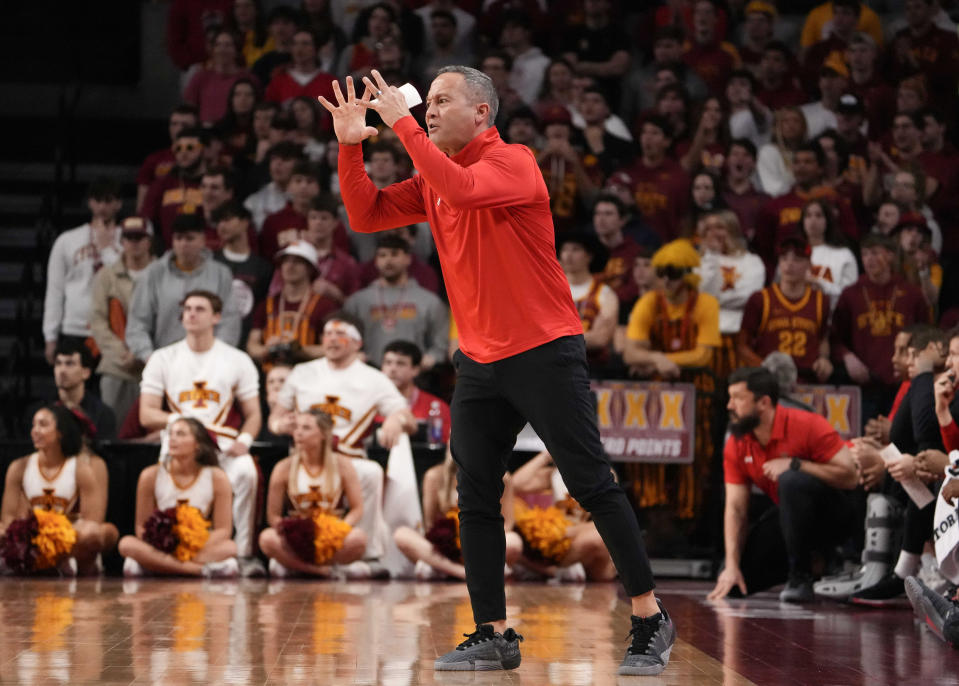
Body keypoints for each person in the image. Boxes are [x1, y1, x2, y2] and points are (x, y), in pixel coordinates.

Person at [319, 67, 673, 675]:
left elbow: (459, 189)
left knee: (591, 483)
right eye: (424, 102)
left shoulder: (515, 162)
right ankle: (494, 632)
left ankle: (649, 617)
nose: (427, 110)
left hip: (544, 348)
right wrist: (352, 144)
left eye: (441, 101)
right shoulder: (434, 173)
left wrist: (399, 122)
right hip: (479, 359)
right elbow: (366, 214)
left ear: (482, 113)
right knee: (476, 495)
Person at [268, 313, 418, 577]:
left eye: (340, 335)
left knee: (371, 472)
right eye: (327, 334)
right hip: (305, 458)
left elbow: (408, 417)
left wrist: (395, 421)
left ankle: (368, 554)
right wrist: (280, 426)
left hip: (348, 458)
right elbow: (275, 418)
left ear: (357, 343)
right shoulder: (303, 372)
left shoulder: (373, 378)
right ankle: (297, 549)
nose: (332, 340)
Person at [138, 290, 262, 577]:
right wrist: (189, 423)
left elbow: (254, 414)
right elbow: (147, 415)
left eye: (200, 309)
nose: (191, 314)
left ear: (216, 317)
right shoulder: (162, 358)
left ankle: (243, 554)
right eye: (188, 309)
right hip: (179, 442)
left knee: (246, 471)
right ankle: (170, 548)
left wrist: (244, 440)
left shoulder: (237, 359)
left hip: (223, 446)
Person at [708, 367, 859, 603]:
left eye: (737, 398)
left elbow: (851, 477)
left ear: (763, 403)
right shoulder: (737, 442)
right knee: (736, 584)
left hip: (837, 515)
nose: (729, 405)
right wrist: (731, 565)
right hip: (793, 520)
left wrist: (796, 464)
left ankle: (802, 576)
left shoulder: (808, 423)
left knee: (791, 480)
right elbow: (736, 509)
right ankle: (814, 563)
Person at [0, 405, 119, 576]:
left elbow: (93, 521)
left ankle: (53, 562)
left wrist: (57, 534)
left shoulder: (80, 468)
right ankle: (52, 563)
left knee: (100, 532)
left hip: (68, 540)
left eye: (43, 425)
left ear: (60, 432)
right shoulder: (19, 467)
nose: (35, 431)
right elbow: (8, 518)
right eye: (34, 425)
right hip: (32, 539)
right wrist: (29, 533)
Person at [118, 416, 239, 578]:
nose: (173, 439)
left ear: (198, 444)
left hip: (198, 546)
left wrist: (190, 544)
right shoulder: (150, 475)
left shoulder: (217, 477)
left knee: (230, 547)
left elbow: (224, 530)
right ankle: (196, 570)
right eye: (171, 434)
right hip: (162, 547)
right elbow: (141, 527)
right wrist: (164, 542)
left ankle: (162, 565)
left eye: (181, 434)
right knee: (126, 544)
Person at [831, 234, 931, 424]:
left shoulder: (911, 293)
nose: (869, 259)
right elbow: (835, 338)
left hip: (902, 385)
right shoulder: (850, 294)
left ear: (891, 256)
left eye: (876, 253)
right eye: (865, 254)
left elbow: (925, 335)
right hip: (864, 385)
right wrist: (847, 357)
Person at [259, 410, 368, 577]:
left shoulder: (343, 465)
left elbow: (357, 508)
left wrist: (340, 530)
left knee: (358, 539)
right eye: (296, 428)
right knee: (267, 538)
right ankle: (321, 571)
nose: (299, 433)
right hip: (296, 537)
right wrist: (291, 532)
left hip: (330, 538)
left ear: (323, 434)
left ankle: (296, 567)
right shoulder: (283, 468)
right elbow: (272, 516)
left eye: (306, 428)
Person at [125, 212, 240, 361]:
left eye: (190, 238)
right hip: (164, 360)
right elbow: (138, 322)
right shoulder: (153, 273)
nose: (183, 244)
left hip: (210, 361)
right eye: (178, 238)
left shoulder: (220, 274)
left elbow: (229, 321)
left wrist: (216, 357)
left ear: (203, 240)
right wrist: (150, 357)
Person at [394, 451, 521, 580]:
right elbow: (430, 524)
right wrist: (451, 540)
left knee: (513, 542)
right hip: (445, 549)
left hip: (484, 546)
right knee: (401, 534)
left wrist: (479, 540)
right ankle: (463, 572)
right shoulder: (434, 476)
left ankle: (441, 570)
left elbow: (508, 524)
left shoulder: (503, 477)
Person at [42, 178, 123, 366]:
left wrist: (107, 249)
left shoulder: (130, 239)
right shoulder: (67, 240)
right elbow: (55, 291)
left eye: (108, 200)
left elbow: (129, 280)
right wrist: (50, 337)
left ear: (118, 204)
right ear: (90, 203)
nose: (102, 206)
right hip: (75, 328)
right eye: (98, 200)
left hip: (115, 329)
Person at [343, 234, 448, 368]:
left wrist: (430, 359)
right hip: (368, 374)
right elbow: (346, 339)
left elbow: (440, 345)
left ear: (408, 259)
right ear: (375, 260)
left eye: (394, 254)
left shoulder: (430, 302)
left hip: (414, 376)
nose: (388, 260)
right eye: (382, 255)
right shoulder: (356, 301)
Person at [89, 216, 156, 426]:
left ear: (149, 241)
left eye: (139, 237)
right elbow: (97, 321)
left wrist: (143, 355)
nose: (134, 243)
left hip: (154, 367)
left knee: (154, 433)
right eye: (129, 238)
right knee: (114, 430)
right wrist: (121, 354)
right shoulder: (107, 276)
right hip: (116, 367)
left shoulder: (162, 274)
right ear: (122, 242)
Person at [739, 235, 832, 383]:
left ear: (809, 265)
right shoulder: (760, 299)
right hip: (768, 381)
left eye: (797, 260)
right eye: (784, 259)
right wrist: (764, 367)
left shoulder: (821, 300)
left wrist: (824, 358)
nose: (789, 265)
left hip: (807, 379)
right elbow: (742, 346)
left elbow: (823, 338)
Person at [696, 210, 765, 378]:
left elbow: (750, 297)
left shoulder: (752, 262)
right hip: (707, 335)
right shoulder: (698, 262)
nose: (713, 233)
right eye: (709, 229)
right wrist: (712, 256)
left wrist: (715, 300)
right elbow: (702, 296)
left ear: (732, 229)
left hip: (740, 335)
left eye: (719, 227)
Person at [247, 240, 331, 367]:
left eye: (297, 262)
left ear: (310, 268)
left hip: (309, 377)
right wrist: (269, 349)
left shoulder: (324, 306)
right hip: (272, 378)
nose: (290, 266)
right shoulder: (267, 305)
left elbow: (329, 348)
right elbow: (252, 344)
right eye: (286, 261)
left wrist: (298, 349)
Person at [212, 202, 273, 349]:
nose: (221, 226)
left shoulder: (263, 267)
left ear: (245, 223)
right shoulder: (211, 262)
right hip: (214, 338)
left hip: (248, 342)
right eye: (219, 221)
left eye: (227, 220)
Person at [558, 232, 618, 372]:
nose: (568, 255)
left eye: (575, 249)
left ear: (589, 256)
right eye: (565, 249)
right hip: (554, 369)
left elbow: (600, 338)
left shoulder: (605, 294)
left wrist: (555, 340)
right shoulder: (549, 291)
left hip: (592, 370)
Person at [141, 128, 207, 248]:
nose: (183, 153)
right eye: (178, 148)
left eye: (190, 148)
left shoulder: (214, 183)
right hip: (167, 253)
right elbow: (147, 221)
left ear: (203, 150)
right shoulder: (162, 184)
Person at [47, 336, 117, 443]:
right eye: (58, 363)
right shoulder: (42, 410)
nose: (62, 370)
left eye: (69, 364)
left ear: (86, 373)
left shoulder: (103, 415)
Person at [380, 339, 451, 443]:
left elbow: (446, 447)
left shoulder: (437, 408)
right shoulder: (370, 404)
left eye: (400, 363)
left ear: (415, 370)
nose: (393, 369)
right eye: (388, 363)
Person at [136, 105, 199, 212]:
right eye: (174, 124)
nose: (179, 129)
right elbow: (141, 206)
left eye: (185, 125)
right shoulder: (154, 160)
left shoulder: (204, 161)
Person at [801, 198, 858, 310]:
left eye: (818, 215)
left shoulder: (843, 255)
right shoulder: (791, 254)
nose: (813, 220)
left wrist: (822, 287)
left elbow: (851, 294)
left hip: (832, 316)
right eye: (808, 215)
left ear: (827, 220)